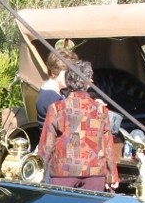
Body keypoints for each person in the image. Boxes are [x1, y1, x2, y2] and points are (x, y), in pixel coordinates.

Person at [37, 60, 119, 192]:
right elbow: (107, 145)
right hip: (94, 172)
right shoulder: (100, 110)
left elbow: (47, 145)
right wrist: (112, 175)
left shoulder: (57, 108)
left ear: (68, 80)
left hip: (63, 172)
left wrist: (39, 172)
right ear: (88, 82)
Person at [36, 48, 75, 128]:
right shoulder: (49, 98)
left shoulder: (58, 92)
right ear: (54, 72)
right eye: (67, 74)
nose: (70, 77)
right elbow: (69, 125)